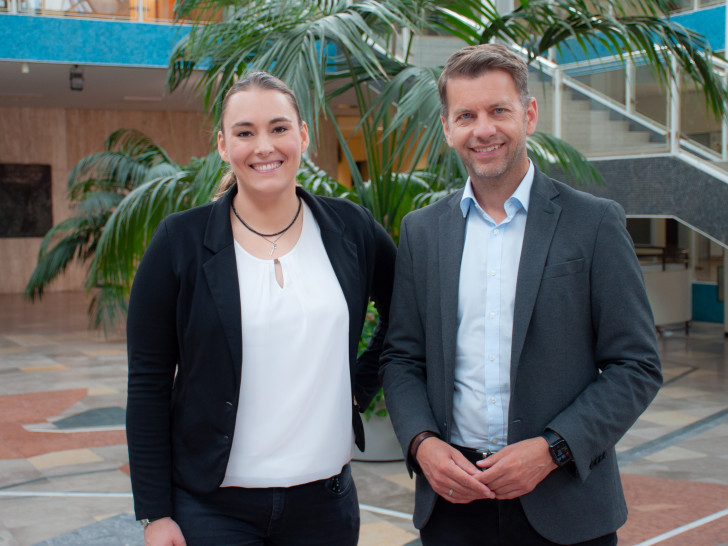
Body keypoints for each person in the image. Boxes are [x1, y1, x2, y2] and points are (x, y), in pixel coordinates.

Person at [380, 44, 662, 545]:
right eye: (466, 115)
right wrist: (422, 444)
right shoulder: (423, 232)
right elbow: (403, 357)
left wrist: (554, 449)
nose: (483, 129)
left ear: (528, 115)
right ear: (448, 128)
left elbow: (636, 365)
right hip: (453, 503)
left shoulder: (593, 223)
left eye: (498, 111)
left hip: (565, 500)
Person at [126, 71, 396, 546]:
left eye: (278, 128)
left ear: (303, 136)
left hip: (326, 507)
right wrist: (155, 513)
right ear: (223, 146)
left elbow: (404, 318)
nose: (263, 146)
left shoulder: (351, 228)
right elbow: (148, 381)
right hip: (212, 510)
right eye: (245, 132)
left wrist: (359, 385)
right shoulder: (179, 241)